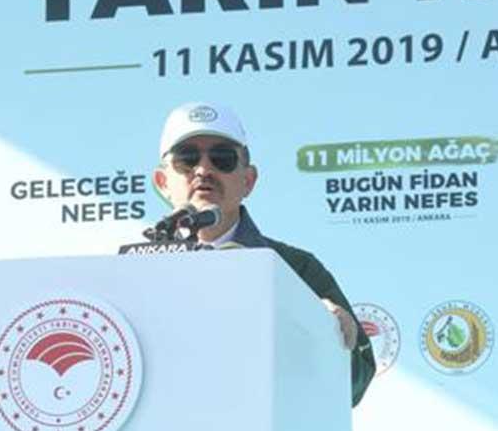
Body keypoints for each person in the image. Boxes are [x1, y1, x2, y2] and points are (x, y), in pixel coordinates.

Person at [153, 101, 376, 407]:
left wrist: (326, 334)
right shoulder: (136, 271)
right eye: (187, 159)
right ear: (162, 182)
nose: (203, 170)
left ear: (248, 181)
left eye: (222, 158)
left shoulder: (296, 268)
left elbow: (355, 383)